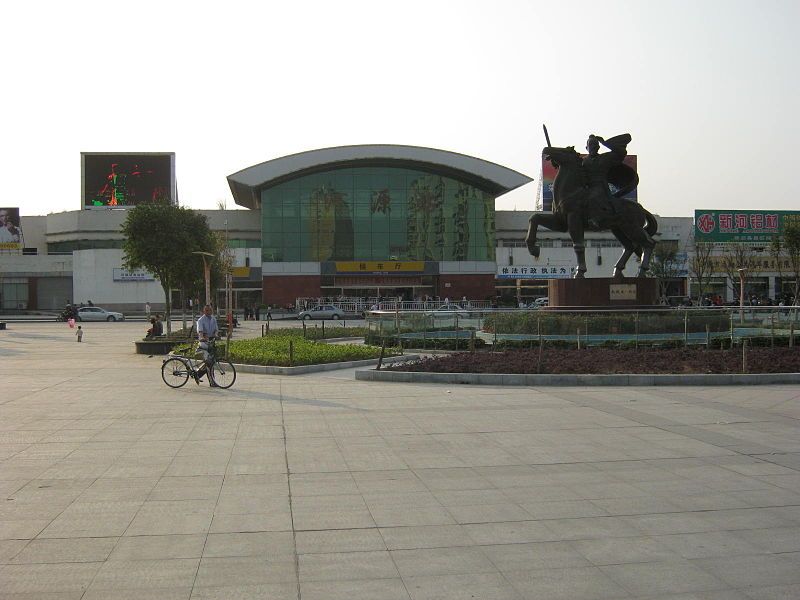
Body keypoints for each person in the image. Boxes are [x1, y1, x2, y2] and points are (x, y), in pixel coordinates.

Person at [581, 134, 635, 229]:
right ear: (586, 147)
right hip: (586, 187)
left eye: (595, 145)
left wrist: (606, 143)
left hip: (600, 187)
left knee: (593, 197)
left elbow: (621, 152)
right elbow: (570, 167)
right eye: (591, 145)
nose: (593, 147)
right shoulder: (582, 161)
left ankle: (595, 219)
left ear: (598, 147)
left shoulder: (606, 158)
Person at [195, 304, 219, 387]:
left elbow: (216, 329)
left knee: (211, 361)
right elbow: (200, 331)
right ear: (204, 311)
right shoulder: (200, 320)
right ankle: (212, 382)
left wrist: (216, 335)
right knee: (209, 363)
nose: (209, 311)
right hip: (203, 344)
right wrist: (201, 337)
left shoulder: (213, 318)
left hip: (211, 342)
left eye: (210, 310)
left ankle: (197, 374)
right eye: (207, 310)